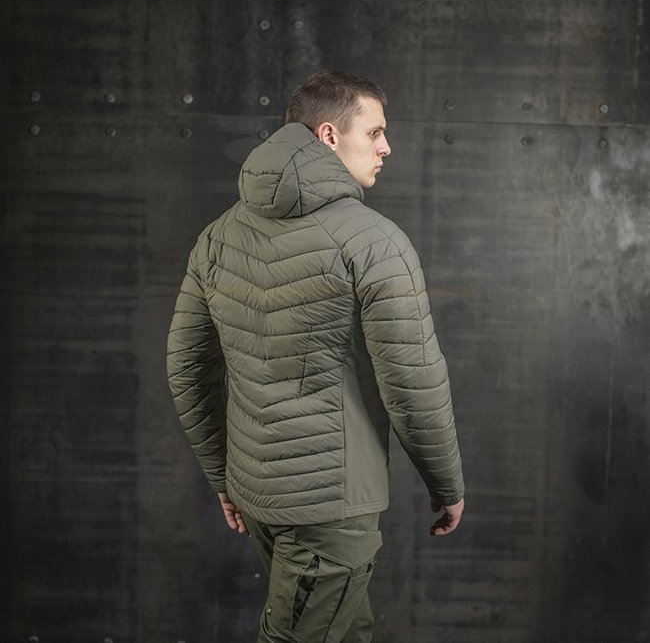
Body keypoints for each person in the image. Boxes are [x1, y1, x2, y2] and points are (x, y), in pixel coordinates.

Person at [167, 69, 465, 643]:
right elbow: (413, 384)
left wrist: (223, 477)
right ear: (329, 135)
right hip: (331, 510)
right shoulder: (374, 243)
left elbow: (186, 368)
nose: (386, 147)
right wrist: (446, 484)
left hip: (258, 496)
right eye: (374, 132)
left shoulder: (216, 237)